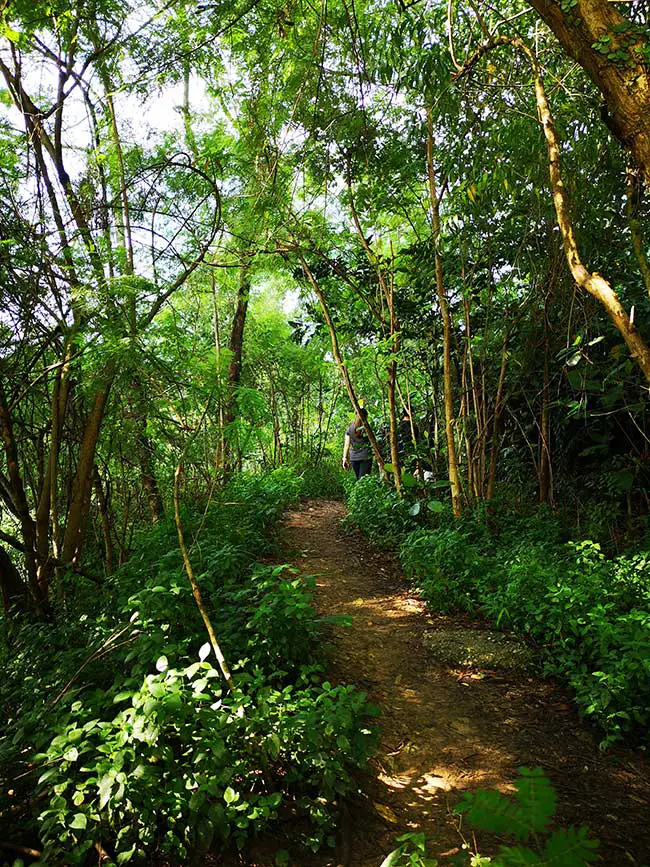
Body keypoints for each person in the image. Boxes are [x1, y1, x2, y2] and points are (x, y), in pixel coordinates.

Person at [342, 408, 372, 480]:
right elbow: (373, 442)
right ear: (366, 416)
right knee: (364, 481)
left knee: (359, 480)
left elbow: (347, 445)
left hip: (354, 458)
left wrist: (344, 458)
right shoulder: (367, 428)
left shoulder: (350, 428)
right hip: (366, 457)